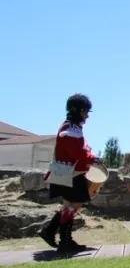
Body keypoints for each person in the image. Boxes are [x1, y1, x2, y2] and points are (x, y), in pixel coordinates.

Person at [38, 94, 101, 252]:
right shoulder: (70, 130)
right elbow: (77, 153)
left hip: (70, 172)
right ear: (79, 110)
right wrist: (93, 158)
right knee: (75, 204)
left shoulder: (72, 128)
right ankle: (64, 240)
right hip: (71, 173)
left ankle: (53, 232)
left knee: (70, 205)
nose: (87, 115)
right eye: (86, 111)